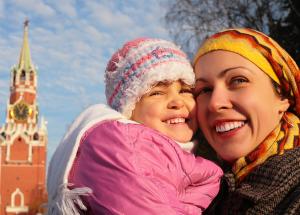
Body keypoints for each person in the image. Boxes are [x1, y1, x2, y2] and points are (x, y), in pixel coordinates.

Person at [47, 38, 223, 214]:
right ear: (128, 109)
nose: (177, 102)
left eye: (185, 90)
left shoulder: (200, 152)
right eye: (157, 93)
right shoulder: (122, 146)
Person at [193, 28, 300, 214]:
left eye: (238, 80)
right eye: (205, 90)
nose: (215, 103)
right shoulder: (201, 195)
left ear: (283, 97)